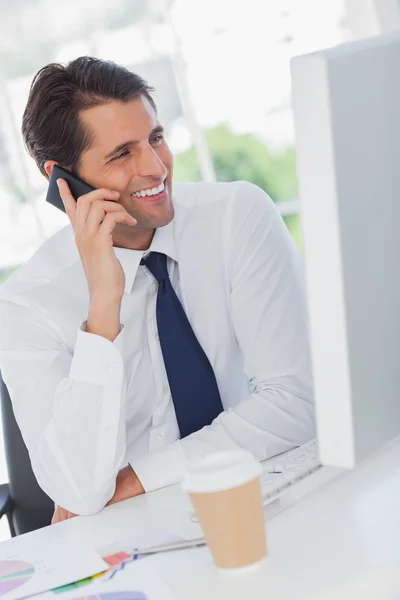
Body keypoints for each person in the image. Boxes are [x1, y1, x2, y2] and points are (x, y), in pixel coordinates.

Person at [0, 57, 315, 522]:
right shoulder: (27, 305)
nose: (156, 167)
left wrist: (137, 478)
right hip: (133, 535)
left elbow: (298, 404)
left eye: (156, 138)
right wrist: (103, 308)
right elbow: (79, 491)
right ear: (62, 180)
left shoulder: (237, 217)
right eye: (122, 154)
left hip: (266, 492)